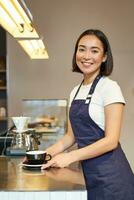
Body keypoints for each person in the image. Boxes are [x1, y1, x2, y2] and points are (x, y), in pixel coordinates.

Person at [41, 29, 134, 199]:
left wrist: (69, 157)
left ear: (104, 57)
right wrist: (43, 156)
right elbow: (71, 136)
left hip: (113, 179)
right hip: (89, 175)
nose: (86, 56)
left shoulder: (110, 88)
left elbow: (111, 141)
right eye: (81, 49)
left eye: (94, 51)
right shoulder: (75, 91)